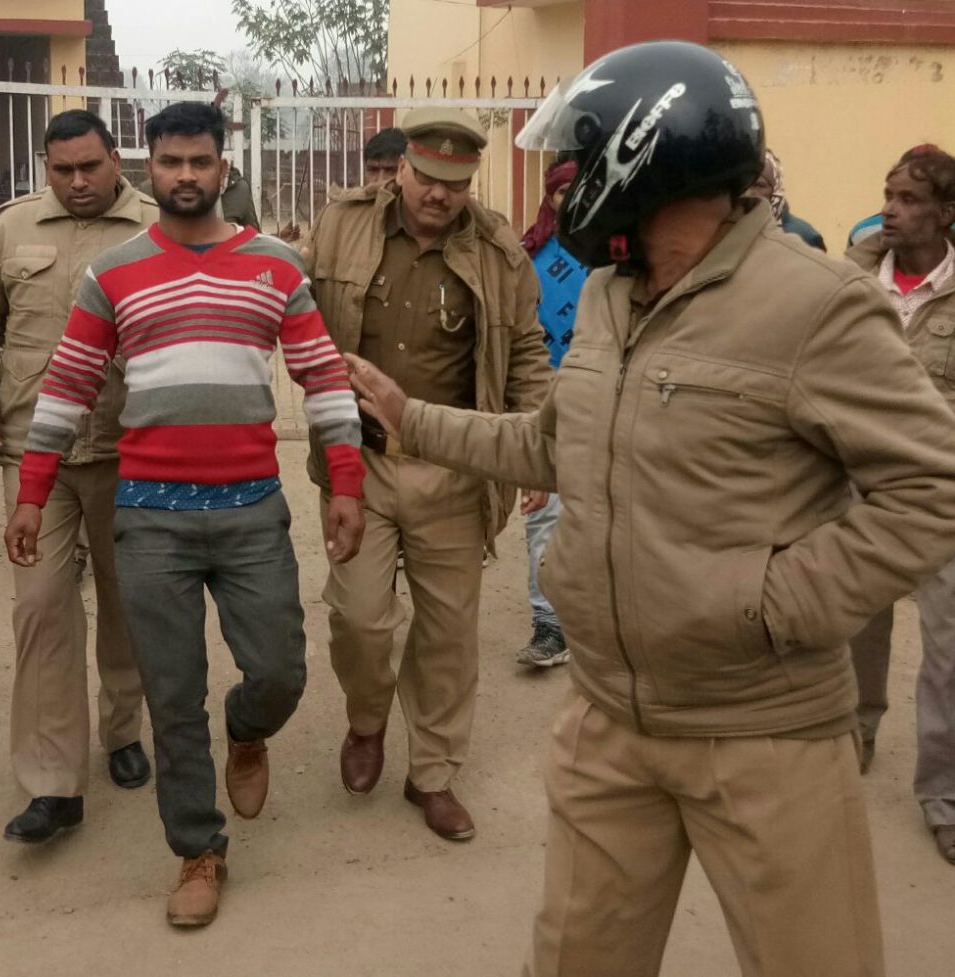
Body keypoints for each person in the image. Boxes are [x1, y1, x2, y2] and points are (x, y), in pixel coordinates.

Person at [345, 41, 955, 977]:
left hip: (765, 733)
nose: (564, 186)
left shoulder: (814, 306)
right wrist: (408, 416)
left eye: (578, 163)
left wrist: (774, 604)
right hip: (609, 722)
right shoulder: (606, 297)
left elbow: (930, 488)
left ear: (644, 158)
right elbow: (550, 443)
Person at [4, 101, 365, 927]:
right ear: (149, 170)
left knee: (279, 671)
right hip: (151, 519)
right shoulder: (115, 273)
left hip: (250, 512)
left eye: (201, 161)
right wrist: (32, 493)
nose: (187, 176)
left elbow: (323, 376)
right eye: (171, 163)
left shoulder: (276, 266)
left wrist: (345, 481)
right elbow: (66, 386)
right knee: (172, 696)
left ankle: (246, 728)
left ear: (224, 167)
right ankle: (198, 849)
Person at [304, 107, 551, 841]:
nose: (440, 195)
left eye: (457, 182)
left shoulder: (502, 251)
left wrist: (535, 445)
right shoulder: (343, 225)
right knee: (358, 615)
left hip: (456, 466)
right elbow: (296, 316)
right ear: (401, 167)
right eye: (428, 177)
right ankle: (367, 717)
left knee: (448, 631)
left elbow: (529, 352)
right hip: (362, 459)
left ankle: (433, 773)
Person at [0, 109, 155, 842]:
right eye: (61, 169)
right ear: (46, 165)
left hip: (132, 449)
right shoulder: (10, 229)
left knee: (128, 603)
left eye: (89, 167)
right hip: (33, 452)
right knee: (40, 609)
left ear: (115, 159)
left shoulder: (158, 228)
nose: (76, 182)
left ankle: (123, 727)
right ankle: (53, 781)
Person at [845, 146, 955, 865]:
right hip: (857, 484)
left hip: (941, 494)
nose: (891, 207)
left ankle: (942, 791)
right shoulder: (855, 278)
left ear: (947, 213)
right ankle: (854, 736)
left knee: (947, 650)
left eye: (910, 198)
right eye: (887, 194)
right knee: (856, 625)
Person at [514, 159, 588, 668]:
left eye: (578, 191)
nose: (569, 201)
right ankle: (549, 625)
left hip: (610, 393)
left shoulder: (619, 252)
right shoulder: (526, 254)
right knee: (544, 512)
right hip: (547, 395)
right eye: (560, 193)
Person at [846, 143, 941, 246]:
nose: (886, 211)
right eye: (888, 197)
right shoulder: (863, 232)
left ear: (947, 212)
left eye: (908, 199)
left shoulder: (862, 231)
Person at [748, 148, 826, 250]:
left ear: (776, 191)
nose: (749, 193)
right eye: (745, 184)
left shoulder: (804, 237)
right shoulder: (732, 232)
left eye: (759, 185)